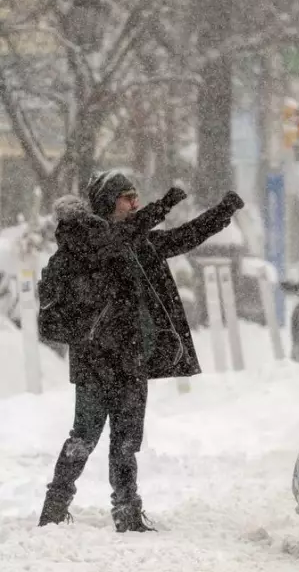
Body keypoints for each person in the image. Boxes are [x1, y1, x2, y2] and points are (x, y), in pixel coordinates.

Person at [38, 169, 245, 532]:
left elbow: (184, 237)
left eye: (136, 197)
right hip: (95, 361)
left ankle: (128, 512)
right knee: (84, 435)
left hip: (131, 356)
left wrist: (222, 212)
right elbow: (112, 243)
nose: (134, 204)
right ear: (106, 203)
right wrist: (163, 204)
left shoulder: (135, 242)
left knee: (127, 440)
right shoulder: (85, 243)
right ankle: (53, 510)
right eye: (127, 198)